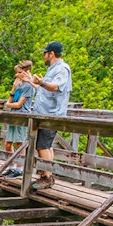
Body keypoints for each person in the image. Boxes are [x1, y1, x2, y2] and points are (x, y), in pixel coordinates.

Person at [23, 41, 72, 190]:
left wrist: (43, 82)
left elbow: (56, 87)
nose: (43, 56)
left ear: (51, 54)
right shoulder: (53, 69)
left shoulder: (62, 69)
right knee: (45, 145)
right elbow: (44, 89)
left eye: (45, 53)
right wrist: (32, 82)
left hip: (52, 114)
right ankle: (46, 174)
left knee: (42, 145)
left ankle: (48, 177)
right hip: (43, 113)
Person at [2, 60, 34, 178]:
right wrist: (13, 88)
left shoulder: (29, 87)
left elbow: (18, 104)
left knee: (20, 143)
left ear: (27, 72)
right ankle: (12, 167)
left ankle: (20, 169)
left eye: (20, 72)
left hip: (22, 116)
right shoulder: (19, 85)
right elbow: (10, 101)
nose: (18, 75)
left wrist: (8, 105)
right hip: (13, 116)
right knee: (8, 143)